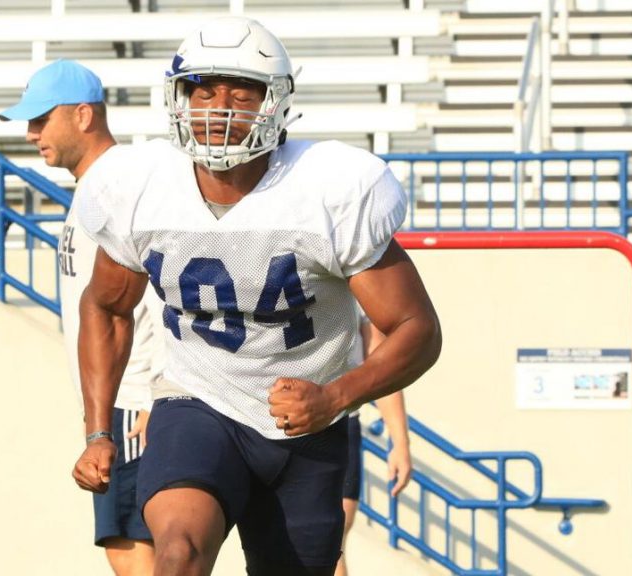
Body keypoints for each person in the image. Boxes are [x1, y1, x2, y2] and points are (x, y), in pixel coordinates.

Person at [70, 16, 442, 576]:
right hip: (196, 402)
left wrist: (336, 397)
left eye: (241, 90)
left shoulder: (328, 189)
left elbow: (418, 329)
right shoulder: (139, 186)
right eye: (204, 88)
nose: (219, 107)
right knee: (177, 554)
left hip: (305, 422)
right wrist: (98, 429)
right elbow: (106, 307)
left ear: (275, 102)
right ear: (179, 98)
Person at [0, 59, 161, 575]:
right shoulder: (95, 185)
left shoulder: (119, 183)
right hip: (120, 404)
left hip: (137, 402)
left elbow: (156, 294)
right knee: (134, 550)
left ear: (84, 115)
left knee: (138, 553)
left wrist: (158, 396)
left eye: (41, 120)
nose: (30, 134)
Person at [338, 316, 412, 576]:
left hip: (339, 424)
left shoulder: (356, 282)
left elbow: (379, 361)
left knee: (332, 541)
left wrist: (400, 442)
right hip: (269, 421)